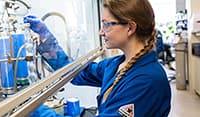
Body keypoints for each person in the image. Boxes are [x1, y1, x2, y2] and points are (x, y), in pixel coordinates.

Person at [25, 0, 171, 116]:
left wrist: (35, 111)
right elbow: (79, 74)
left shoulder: (147, 81)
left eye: (107, 24)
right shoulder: (116, 64)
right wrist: (46, 40)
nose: (101, 32)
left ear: (130, 28)